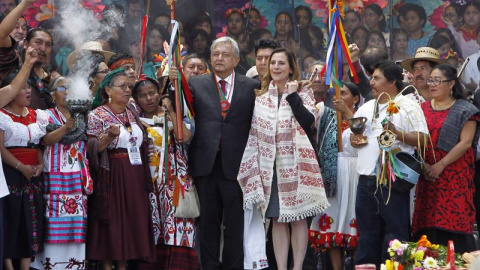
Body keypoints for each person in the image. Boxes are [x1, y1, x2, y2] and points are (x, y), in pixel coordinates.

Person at [238, 47, 329, 270]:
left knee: (297, 218)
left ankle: (296, 267)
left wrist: (292, 95)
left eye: (281, 63)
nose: (276, 67)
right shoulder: (261, 96)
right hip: (269, 166)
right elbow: (255, 132)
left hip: (296, 165)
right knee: (277, 219)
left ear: (290, 69)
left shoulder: (303, 93)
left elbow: (308, 121)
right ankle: (281, 267)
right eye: (273, 63)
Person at [188, 36, 259, 270]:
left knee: (235, 222)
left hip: (237, 164)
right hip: (205, 162)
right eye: (215, 54)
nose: (219, 58)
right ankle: (209, 266)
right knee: (208, 221)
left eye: (225, 54)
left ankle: (234, 266)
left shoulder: (251, 86)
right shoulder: (196, 83)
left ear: (236, 59)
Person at [352, 61, 428, 268]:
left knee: (396, 235)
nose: (372, 82)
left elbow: (423, 140)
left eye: (377, 78)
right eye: (372, 78)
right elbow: (355, 140)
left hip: (391, 179)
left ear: (392, 81)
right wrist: (355, 140)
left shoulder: (409, 105)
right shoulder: (367, 106)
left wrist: (397, 133)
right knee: (367, 234)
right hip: (366, 179)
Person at [86, 69, 154, 270]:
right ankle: (108, 266)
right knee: (113, 221)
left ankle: (123, 266)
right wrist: (108, 137)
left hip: (134, 172)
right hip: (113, 173)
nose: (127, 90)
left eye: (129, 87)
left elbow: (139, 139)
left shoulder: (132, 111)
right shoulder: (97, 115)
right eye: (121, 86)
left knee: (131, 220)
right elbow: (93, 149)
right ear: (108, 90)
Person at [132, 77, 200, 269]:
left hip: (175, 180)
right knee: (152, 227)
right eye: (143, 95)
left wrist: (170, 109)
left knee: (178, 225)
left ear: (159, 93)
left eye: (152, 93)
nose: (149, 98)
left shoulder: (171, 116)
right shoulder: (135, 122)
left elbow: (185, 137)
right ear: (136, 99)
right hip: (148, 183)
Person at [413, 64, 479, 253]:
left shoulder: (466, 110)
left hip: (454, 176)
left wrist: (440, 165)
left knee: (454, 223)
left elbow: (465, 143)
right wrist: (424, 165)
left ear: (451, 84)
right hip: (427, 175)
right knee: (427, 225)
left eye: (437, 81)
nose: (431, 84)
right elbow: (415, 139)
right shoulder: (421, 109)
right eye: (430, 80)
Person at [30, 76, 92, 270]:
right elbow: (46, 140)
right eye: (62, 88)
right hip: (54, 178)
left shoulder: (84, 117)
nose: (67, 92)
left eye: (71, 88)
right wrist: (66, 128)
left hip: (77, 178)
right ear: (52, 94)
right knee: (53, 223)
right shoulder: (45, 115)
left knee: (76, 226)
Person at [310, 82, 361, 270]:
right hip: (331, 175)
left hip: (352, 175)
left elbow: (361, 140)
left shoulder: (362, 116)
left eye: (345, 93)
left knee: (352, 225)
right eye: (336, 94)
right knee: (331, 226)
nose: (338, 98)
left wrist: (347, 112)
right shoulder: (328, 116)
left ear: (355, 99)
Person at [0, 73, 48, 270]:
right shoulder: (2, 116)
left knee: (32, 215)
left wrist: (40, 165)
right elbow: (1, 148)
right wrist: (21, 167)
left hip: (33, 173)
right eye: (22, 87)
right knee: (11, 216)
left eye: (29, 87)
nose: (28, 91)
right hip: (10, 172)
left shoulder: (36, 115)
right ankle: (8, 264)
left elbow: (37, 145)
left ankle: (26, 265)